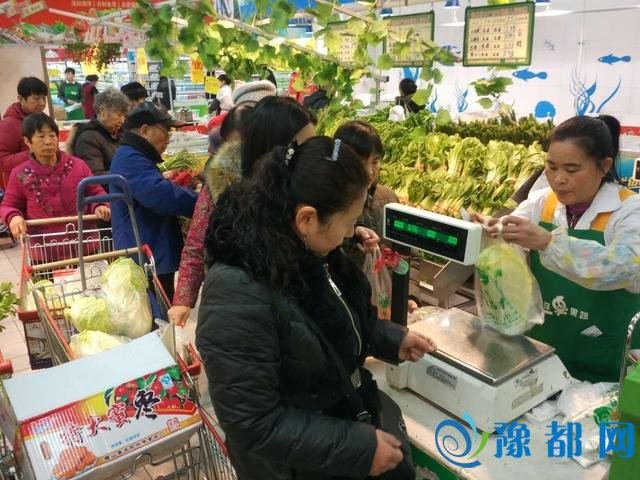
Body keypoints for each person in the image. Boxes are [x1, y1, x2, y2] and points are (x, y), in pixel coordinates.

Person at [196, 136, 437, 479]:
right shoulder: (236, 292)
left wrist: (388, 339)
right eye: (348, 223)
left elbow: (329, 324)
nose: (351, 233)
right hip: (295, 467)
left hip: (339, 429)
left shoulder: (307, 253)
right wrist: (356, 448)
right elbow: (251, 421)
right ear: (307, 218)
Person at [475, 115, 640, 383]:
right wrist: (495, 230)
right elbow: (511, 227)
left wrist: (548, 242)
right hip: (545, 349)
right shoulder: (542, 202)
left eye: (572, 169)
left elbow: (623, 267)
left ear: (604, 166)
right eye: (551, 167)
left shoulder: (629, 210)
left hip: (606, 359)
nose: (559, 179)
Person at [169, 105, 253, 325]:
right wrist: (183, 300)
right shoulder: (217, 184)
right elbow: (196, 245)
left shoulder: (276, 182)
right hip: (227, 297)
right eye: (234, 145)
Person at [110, 102, 198, 299]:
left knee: (163, 305)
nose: (169, 138)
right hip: (145, 254)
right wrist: (202, 203)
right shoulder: (130, 159)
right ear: (145, 130)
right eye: (166, 130)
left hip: (153, 249)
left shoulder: (136, 155)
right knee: (156, 310)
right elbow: (161, 196)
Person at [335, 120, 423, 313]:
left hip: (386, 305)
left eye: (375, 162)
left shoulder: (388, 198)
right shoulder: (331, 203)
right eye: (361, 162)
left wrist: (408, 294)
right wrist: (354, 236)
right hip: (349, 308)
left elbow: (409, 255)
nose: (369, 171)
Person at [0, 113, 110, 259]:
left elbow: (95, 192)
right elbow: (9, 205)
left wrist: (100, 205)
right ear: (28, 141)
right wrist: (14, 217)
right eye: (41, 137)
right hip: (45, 251)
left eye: (52, 136)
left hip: (85, 244)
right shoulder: (20, 174)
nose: (48, 142)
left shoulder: (78, 165)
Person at [0, 77, 48, 189]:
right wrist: (33, 152)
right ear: (21, 99)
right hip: (22, 184)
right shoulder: (8, 124)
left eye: (44, 98)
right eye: (36, 98)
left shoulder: (43, 119)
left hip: (46, 179)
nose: (42, 103)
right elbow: (2, 161)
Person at [69, 88, 129, 176]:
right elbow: (96, 177)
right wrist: (131, 173)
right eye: (119, 115)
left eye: (124, 116)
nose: (122, 120)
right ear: (102, 111)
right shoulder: (88, 138)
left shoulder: (121, 134)